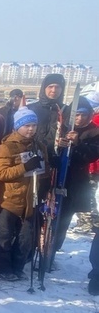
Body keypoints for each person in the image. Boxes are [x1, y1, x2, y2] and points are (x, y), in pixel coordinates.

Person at [0, 107, 49, 280]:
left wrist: (45, 169)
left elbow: (44, 173)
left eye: (34, 125)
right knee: (4, 236)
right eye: (26, 125)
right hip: (9, 200)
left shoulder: (40, 146)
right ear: (17, 126)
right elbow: (2, 174)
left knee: (26, 238)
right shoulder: (7, 147)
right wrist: (25, 167)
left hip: (31, 200)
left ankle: (17, 266)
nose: (31, 129)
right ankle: (3, 268)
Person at [53, 97, 99, 252]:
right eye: (76, 115)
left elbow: (92, 154)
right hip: (55, 177)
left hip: (74, 182)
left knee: (63, 219)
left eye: (83, 115)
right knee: (48, 216)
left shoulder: (94, 131)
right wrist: (58, 145)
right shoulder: (62, 127)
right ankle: (41, 248)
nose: (79, 119)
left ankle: (53, 250)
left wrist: (78, 142)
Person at [28, 74, 65, 153]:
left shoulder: (66, 110)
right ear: (44, 88)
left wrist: (66, 140)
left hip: (56, 158)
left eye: (57, 87)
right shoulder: (31, 109)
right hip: (33, 154)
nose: (54, 90)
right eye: (50, 86)